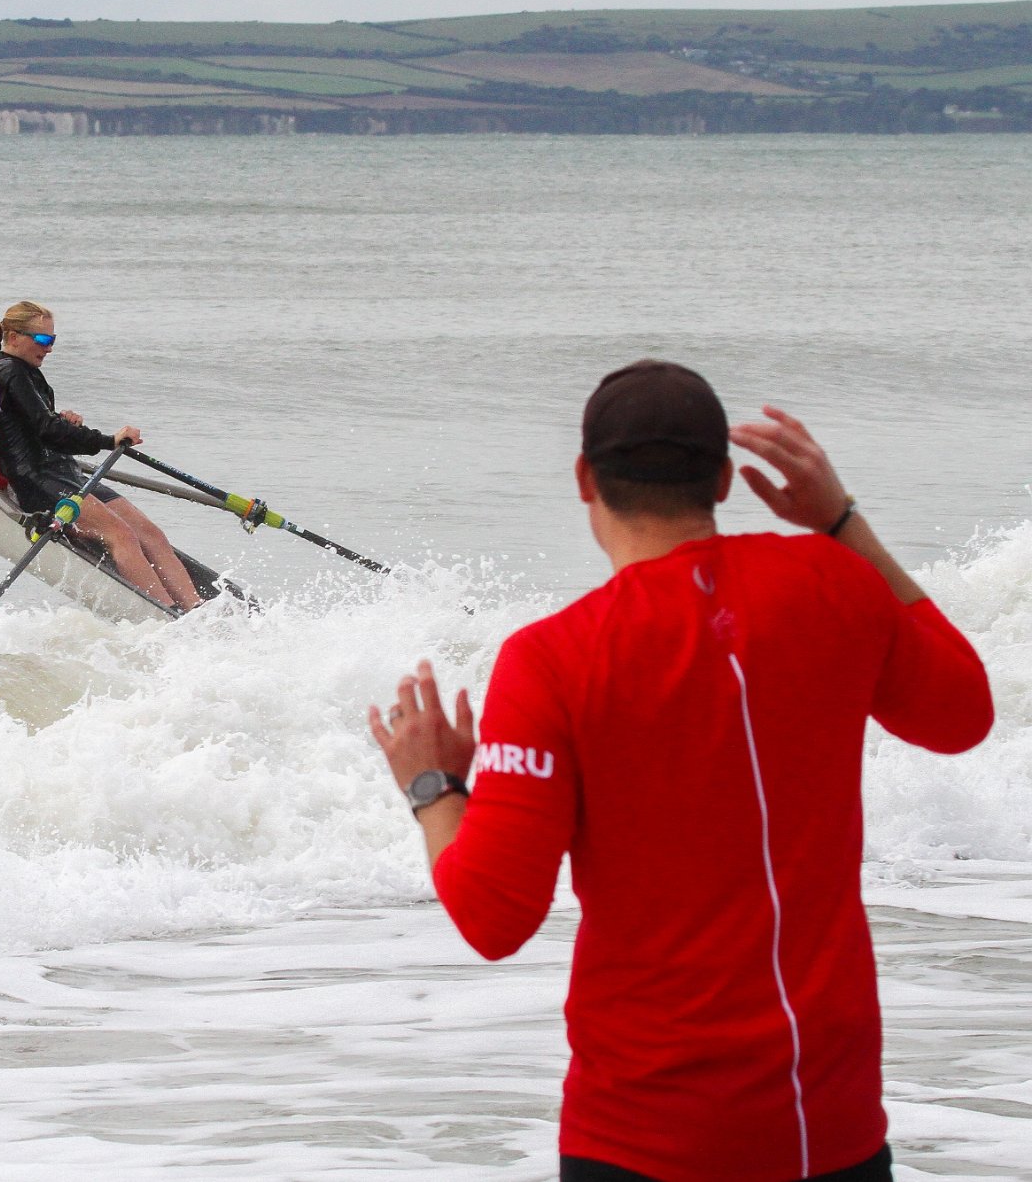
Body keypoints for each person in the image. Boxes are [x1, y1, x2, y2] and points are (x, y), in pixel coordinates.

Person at [367, 360, 992, 1182]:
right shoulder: (834, 583)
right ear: (727, 480)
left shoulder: (554, 661)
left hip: (645, 1135)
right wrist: (840, 521)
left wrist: (433, 786)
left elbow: (493, 917)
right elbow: (962, 713)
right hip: (827, 1127)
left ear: (585, 478)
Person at [0, 301, 203, 613]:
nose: (48, 349)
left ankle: (196, 609)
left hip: (62, 469)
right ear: (14, 337)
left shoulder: (26, 372)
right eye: (42, 340)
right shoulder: (9, 372)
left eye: (52, 340)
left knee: (150, 534)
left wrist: (61, 420)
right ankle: (168, 613)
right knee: (121, 535)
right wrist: (107, 440)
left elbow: (34, 423)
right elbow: (45, 430)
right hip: (36, 480)